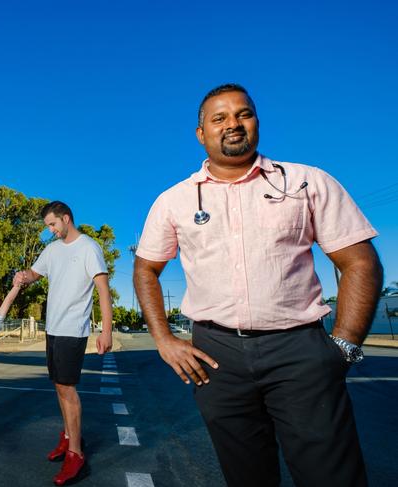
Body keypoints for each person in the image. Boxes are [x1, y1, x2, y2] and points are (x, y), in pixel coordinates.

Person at [133, 83, 383, 487]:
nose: (232, 124)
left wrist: (344, 347)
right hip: (215, 358)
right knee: (246, 476)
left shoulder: (307, 181)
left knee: (332, 476)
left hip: (300, 350)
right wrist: (164, 339)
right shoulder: (173, 201)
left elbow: (359, 262)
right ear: (201, 134)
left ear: (256, 122)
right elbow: (146, 270)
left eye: (242, 114)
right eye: (219, 118)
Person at [14, 201, 113, 486]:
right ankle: (68, 434)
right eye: (48, 226)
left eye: (53, 224)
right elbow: (35, 273)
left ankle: (76, 453)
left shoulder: (89, 248)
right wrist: (24, 277)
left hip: (73, 329)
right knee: (59, 385)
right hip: (53, 329)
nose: (51, 230)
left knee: (68, 389)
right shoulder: (52, 249)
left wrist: (106, 331)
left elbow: (103, 291)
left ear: (66, 219)